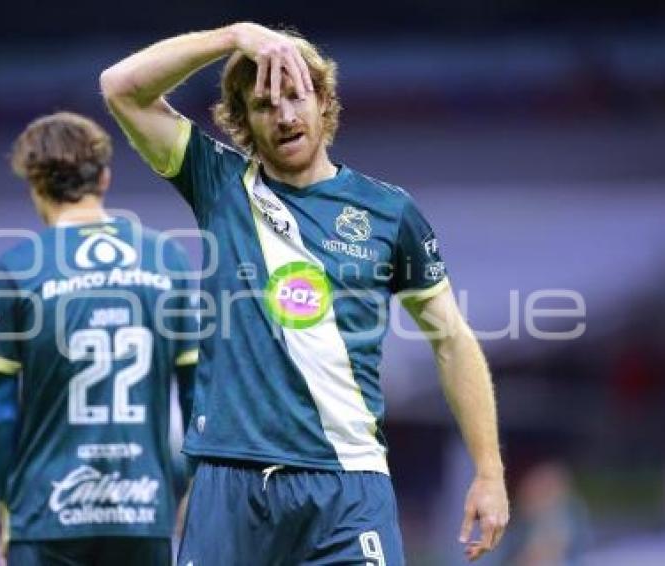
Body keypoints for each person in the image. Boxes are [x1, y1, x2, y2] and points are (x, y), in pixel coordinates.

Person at [100, 22, 508, 565]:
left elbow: (452, 342)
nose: (286, 116)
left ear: (324, 101)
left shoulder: (390, 213)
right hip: (230, 484)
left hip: (348, 487)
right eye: (265, 104)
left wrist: (488, 471)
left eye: (296, 95)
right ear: (243, 121)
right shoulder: (219, 183)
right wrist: (232, 36)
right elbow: (120, 86)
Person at [0, 111, 197, 566]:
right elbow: (197, 393)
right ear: (105, 177)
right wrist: (194, 488)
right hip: (144, 511)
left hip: (46, 514)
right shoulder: (166, 258)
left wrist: (7, 511)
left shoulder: (17, 267)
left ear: (35, 183)